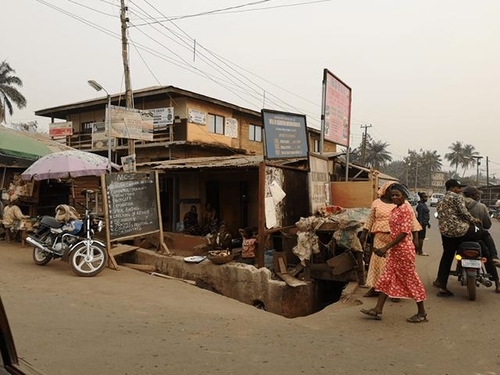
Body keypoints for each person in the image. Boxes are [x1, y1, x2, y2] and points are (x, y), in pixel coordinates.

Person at [360, 183, 428, 323]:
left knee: (411, 281)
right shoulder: (396, 209)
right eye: (393, 195)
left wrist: (385, 248)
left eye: (398, 195)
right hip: (395, 250)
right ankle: (377, 310)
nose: (395, 197)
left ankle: (422, 313)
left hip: (403, 250)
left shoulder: (405, 210)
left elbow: (403, 233)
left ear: (404, 196)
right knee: (386, 278)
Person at [433, 179, 492, 297]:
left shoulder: (441, 199)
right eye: (458, 187)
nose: (460, 190)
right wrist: (475, 220)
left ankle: (441, 285)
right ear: (452, 188)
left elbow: (440, 215)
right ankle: (494, 257)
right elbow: (464, 213)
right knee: (484, 234)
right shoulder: (457, 197)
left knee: (447, 257)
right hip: (461, 231)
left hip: (446, 233)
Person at [462, 186, 500, 293]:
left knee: (449, 254)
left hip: (459, 236)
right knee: (487, 255)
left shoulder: (458, 204)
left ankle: (442, 282)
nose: (478, 196)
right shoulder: (481, 206)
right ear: (473, 195)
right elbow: (487, 225)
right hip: (476, 235)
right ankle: (497, 282)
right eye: (477, 194)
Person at [415, 192, 430, 256]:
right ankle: (420, 251)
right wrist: (420, 225)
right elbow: (420, 216)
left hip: (424, 223)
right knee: (421, 238)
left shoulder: (423, 204)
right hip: (421, 224)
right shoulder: (421, 205)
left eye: (426, 197)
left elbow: (425, 215)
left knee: (420, 238)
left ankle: (417, 250)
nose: (426, 198)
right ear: (421, 198)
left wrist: (428, 223)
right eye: (424, 197)